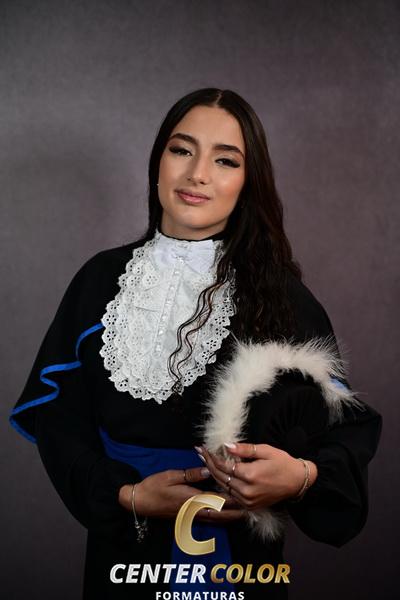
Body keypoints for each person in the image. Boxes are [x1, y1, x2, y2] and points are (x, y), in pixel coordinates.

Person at [10, 88, 382, 600]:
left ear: (248, 183)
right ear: (157, 163)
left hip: (239, 567)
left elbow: (348, 431)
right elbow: (60, 424)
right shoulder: (98, 282)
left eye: (225, 160)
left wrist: (299, 476)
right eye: (182, 150)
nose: (197, 173)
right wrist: (127, 494)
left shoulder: (280, 298)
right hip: (123, 560)